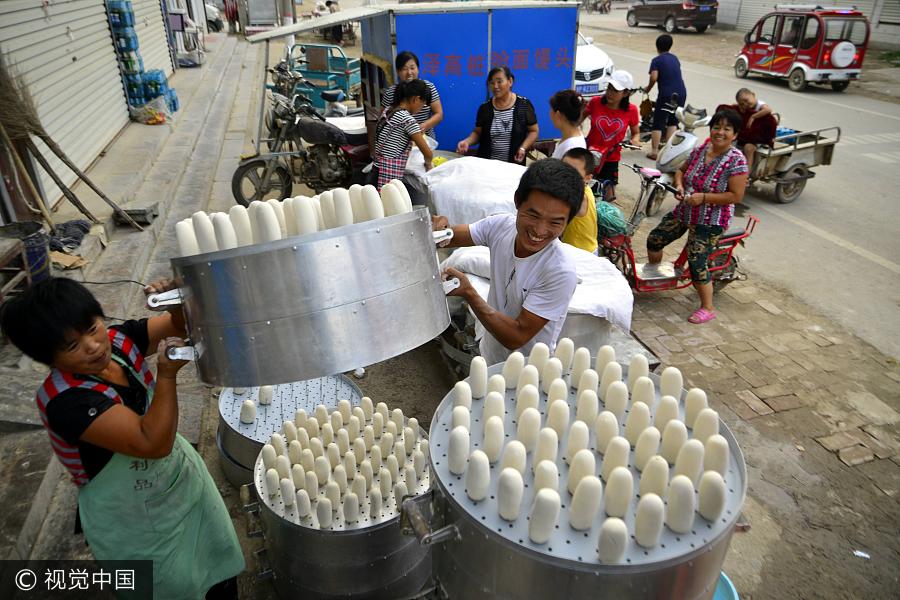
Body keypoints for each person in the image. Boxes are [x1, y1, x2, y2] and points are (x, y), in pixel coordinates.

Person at [0, 278, 245, 598]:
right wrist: (167, 375)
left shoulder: (118, 342)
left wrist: (171, 301)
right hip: (132, 519)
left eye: (92, 327)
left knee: (217, 569)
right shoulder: (67, 401)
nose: (93, 346)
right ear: (49, 358)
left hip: (179, 483)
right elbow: (152, 443)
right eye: (72, 346)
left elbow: (179, 325)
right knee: (170, 586)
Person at [433, 159, 584, 364]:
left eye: (555, 222)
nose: (539, 231)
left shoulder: (559, 272)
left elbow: (516, 336)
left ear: (568, 221)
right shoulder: (500, 227)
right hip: (491, 352)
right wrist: (439, 229)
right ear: (517, 201)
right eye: (533, 214)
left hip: (527, 371)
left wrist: (469, 292)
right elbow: (451, 236)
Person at [644, 108, 749, 324]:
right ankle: (656, 276)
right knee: (655, 239)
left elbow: (735, 196)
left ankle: (708, 307)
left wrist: (703, 197)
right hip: (686, 209)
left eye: (727, 129)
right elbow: (681, 170)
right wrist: (680, 185)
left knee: (696, 261)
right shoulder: (702, 149)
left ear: (735, 134)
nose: (720, 132)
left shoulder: (737, 160)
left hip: (712, 220)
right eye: (717, 127)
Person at [457, 66, 539, 165]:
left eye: (499, 82)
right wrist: (467, 142)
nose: (495, 86)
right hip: (487, 165)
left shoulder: (523, 105)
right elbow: (478, 133)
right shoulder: (485, 108)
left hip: (513, 165)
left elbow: (533, 131)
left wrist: (523, 148)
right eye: (492, 83)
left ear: (510, 81)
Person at [584, 70, 641, 201]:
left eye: (615, 90)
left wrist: (635, 140)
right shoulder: (595, 102)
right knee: (585, 192)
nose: (610, 93)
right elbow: (577, 121)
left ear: (626, 93)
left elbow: (636, 132)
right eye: (609, 88)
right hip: (590, 155)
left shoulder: (631, 110)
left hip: (611, 158)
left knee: (608, 197)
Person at [372, 78, 434, 191]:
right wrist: (429, 164)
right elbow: (427, 153)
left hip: (375, 170)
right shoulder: (407, 120)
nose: (420, 109)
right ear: (416, 99)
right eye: (422, 105)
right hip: (386, 177)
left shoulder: (389, 110)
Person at [380, 51, 443, 140]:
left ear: (418, 69)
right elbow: (383, 119)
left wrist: (424, 126)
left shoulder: (428, 87)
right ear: (398, 72)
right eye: (404, 69)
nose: (409, 72)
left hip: (425, 139)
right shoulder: (391, 93)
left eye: (412, 68)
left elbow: (439, 114)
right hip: (400, 144)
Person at [643, 34, 687, 160]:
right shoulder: (675, 58)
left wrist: (648, 88)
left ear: (657, 46)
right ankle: (668, 152)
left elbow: (654, 77)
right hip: (681, 93)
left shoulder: (656, 60)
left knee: (659, 122)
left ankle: (655, 152)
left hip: (666, 94)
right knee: (673, 121)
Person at [560, 147, 599, 254]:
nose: (566, 175)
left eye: (573, 172)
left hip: (581, 253)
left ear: (587, 178)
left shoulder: (578, 194)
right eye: (563, 168)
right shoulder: (585, 189)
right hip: (588, 247)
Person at [729, 88, 777, 169]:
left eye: (746, 100)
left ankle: (747, 173)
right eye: (742, 103)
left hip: (760, 139)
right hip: (747, 136)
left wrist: (753, 116)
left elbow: (768, 110)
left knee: (748, 148)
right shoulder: (745, 108)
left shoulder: (760, 105)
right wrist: (738, 107)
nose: (745, 104)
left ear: (753, 95)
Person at [549, 89, 586, 159]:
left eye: (551, 110)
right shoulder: (570, 137)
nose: (549, 114)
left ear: (558, 114)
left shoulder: (572, 147)